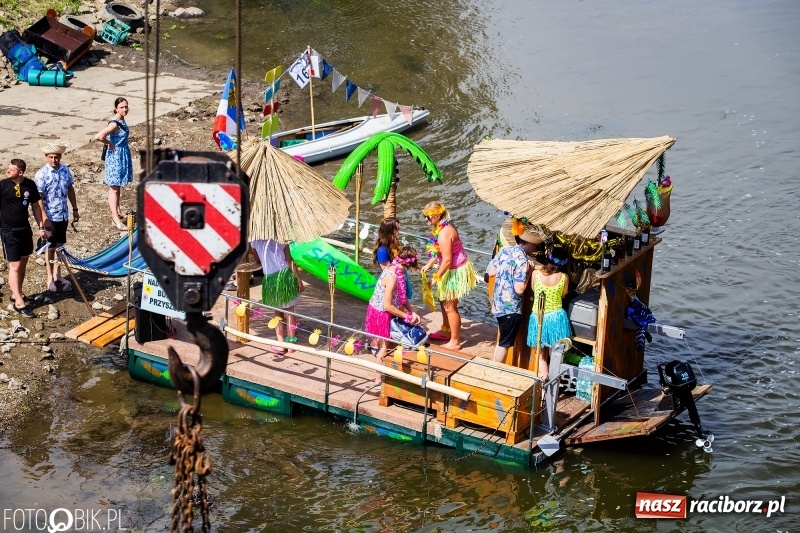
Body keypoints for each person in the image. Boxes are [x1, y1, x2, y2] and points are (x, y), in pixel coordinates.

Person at [420, 202, 477, 351]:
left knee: (450, 306)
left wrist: (436, 277)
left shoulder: (445, 233)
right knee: (443, 300)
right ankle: (447, 330)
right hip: (449, 268)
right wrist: (429, 264)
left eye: (428, 217)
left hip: (454, 270)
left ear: (437, 216)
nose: (425, 220)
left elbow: (447, 260)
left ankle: (455, 341)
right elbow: (437, 251)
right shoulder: (439, 228)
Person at [0, 159, 50, 317]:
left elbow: (35, 205)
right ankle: (19, 304)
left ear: (20, 173)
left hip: (24, 229)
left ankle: (17, 294)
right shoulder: (3, 185)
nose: (7, 171)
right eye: (8, 168)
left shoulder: (30, 185)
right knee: (14, 266)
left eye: (11, 169)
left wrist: (41, 226)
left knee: (23, 263)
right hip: (9, 231)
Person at [486, 227, 542, 363]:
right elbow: (519, 289)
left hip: (497, 303)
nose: (534, 248)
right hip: (510, 308)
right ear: (530, 244)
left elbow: (490, 272)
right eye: (534, 246)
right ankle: (496, 369)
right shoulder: (523, 261)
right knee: (504, 343)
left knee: (502, 338)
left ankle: (494, 365)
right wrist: (529, 272)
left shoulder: (505, 250)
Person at [34, 141, 79, 293]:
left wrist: (75, 208)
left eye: (56, 157)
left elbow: (70, 189)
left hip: (63, 214)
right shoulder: (41, 174)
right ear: (47, 157)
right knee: (50, 248)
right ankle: (49, 278)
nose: (54, 160)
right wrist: (44, 218)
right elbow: (38, 198)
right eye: (51, 157)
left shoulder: (65, 170)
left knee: (60, 246)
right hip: (50, 216)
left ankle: (57, 274)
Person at [365, 245, 421, 361]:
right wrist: (407, 316)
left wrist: (412, 312)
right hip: (381, 313)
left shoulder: (396, 269)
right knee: (386, 346)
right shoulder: (392, 278)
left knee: (387, 342)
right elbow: (387, 306)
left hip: (386, 309)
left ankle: (373, 346)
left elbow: (402, 297)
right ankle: (378, 377)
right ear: (409, 265)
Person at [250, 239, 303, 354]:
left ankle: (280, 343)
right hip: (286, 276)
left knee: (277, 313)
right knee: (290, 311)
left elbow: (257, 259)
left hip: (270, 279)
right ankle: (291, 344)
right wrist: (299, 280)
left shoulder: (255, 242)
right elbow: (290, 261)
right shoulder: (282, 240)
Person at [526, 248, 572, 379]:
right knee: (555, 354)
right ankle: (554, 382)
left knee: (540, 355)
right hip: (556, 318)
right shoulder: (564, 277)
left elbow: (534, 288)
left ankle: (545, 384)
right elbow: (564, 295)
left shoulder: (535, 274)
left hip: (538, 317)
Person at [94, 97, 134, 231]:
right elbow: (99, 136)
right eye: (122, 107)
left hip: (121, 155)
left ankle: (117, 210)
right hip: (116, 157)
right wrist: (109, 143)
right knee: (114, 188)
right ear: (116, 108)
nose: (124, 109)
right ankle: (115, 219)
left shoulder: (121, 120)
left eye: (126, 107)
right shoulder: (115, 124)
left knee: (118, 186)